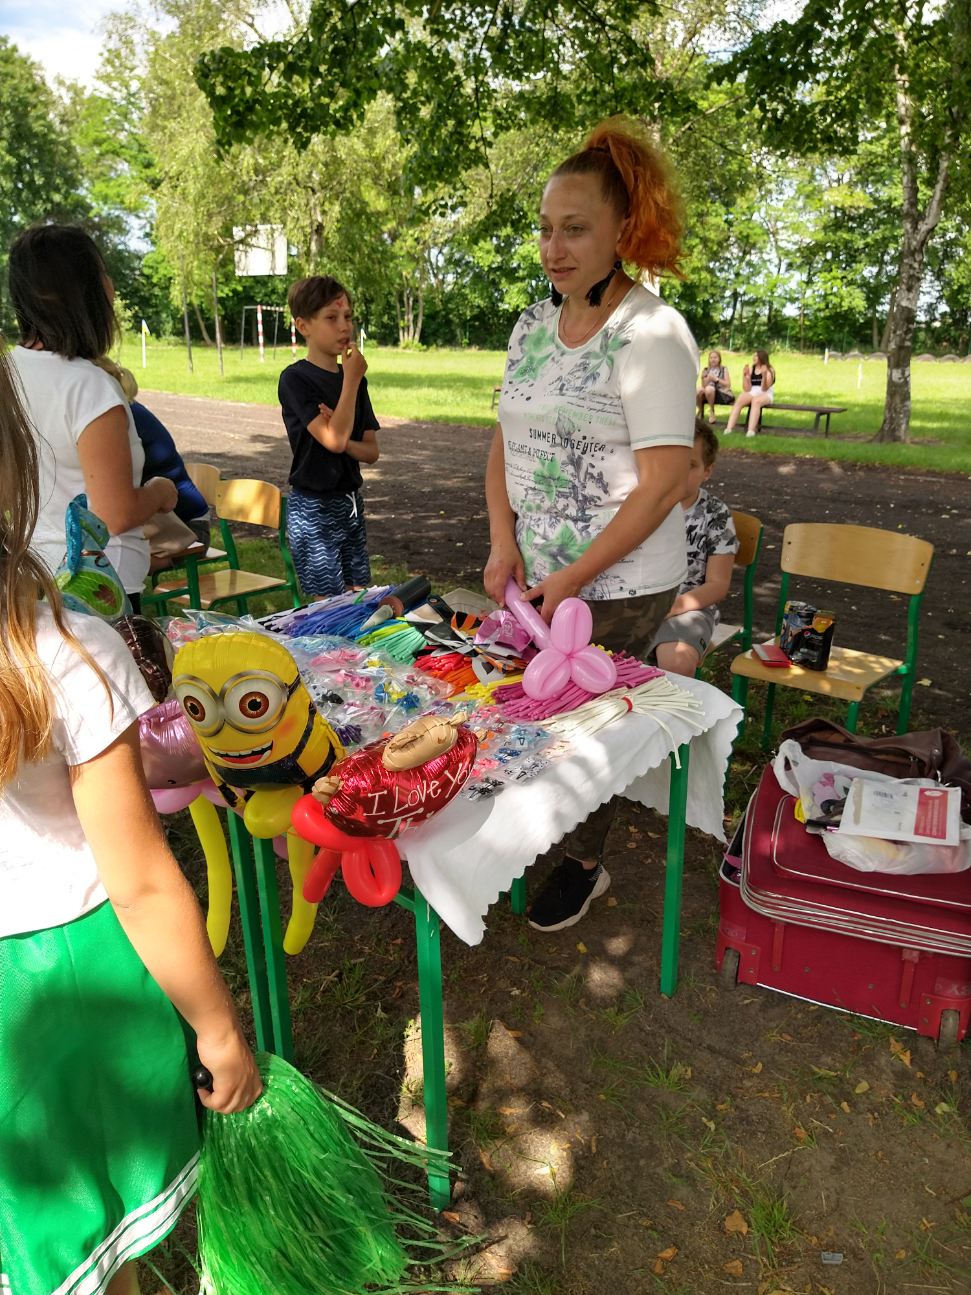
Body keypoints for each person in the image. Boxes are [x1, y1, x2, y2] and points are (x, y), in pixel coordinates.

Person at [0, 350, 261, 1295]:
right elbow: (142, 877)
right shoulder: (64, 648)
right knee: (99, 1258)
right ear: (17, 461)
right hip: (62, 993)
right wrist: (218, 1028)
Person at [484, 115, 698, 932]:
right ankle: (544, 833)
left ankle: (583, 862)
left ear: (623, 230)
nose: (553, 247)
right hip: (539, 565)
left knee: (588, 725)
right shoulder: (533, 325)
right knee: (539, 708)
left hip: (621, 577)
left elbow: (662, 481)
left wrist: (572, 577)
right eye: (544, 229)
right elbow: (505, 435)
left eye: (574, 228)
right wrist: (503, 541)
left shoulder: (652, 333)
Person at [7, 225, 179, 612]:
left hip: (32, 572)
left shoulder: (10, 371)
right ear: (83, 292)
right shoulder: (88, 386)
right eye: (102, 274)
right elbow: (112, 514)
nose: (112, 287)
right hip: (97, 583)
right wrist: (159, 492)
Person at [278, 276, 380, 598]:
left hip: (349, 504)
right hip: (313, 510)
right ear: (303, 326)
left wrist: (344, 438)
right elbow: (333, 441)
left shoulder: (356, 383)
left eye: (348, 317)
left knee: (359, 599)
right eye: (331, 318)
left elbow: (370, 451)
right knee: (330, 608)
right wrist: (350, 379)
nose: (343, 327)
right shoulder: (296, 380)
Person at [649, 419, 738, 675]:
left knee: (676, 663)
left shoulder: (716, 514)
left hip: (690, 608)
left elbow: (717, 586)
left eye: (689, 466)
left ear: (707, 471)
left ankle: (673, 713)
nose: (678, 472)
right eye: (673, 462)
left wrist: (671, 609)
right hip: (639, 603)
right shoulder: (641, 505)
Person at [723, 348, 775, 436]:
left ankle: (751, 430)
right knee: (739, 399)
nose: (753, 358)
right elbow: (746, 389)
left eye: (756, 356)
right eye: (753, 356)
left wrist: (764, 375)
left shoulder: (769, 370)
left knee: (756, 401)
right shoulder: (752, 369)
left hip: (765, 393)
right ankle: (729, 429)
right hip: (752, 391)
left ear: (761, 358)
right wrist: (745, 376)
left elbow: (764, 389)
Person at [695, 349, 734, 422]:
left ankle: (712, 411)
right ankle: (700, 410)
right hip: (707, 394)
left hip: (720, 393)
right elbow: (703, 385)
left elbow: (727, 385)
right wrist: (704, 378)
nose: (713, 360)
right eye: (711, 358)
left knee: (709, 389)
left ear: (719, 359)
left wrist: (716, 379)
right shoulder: (706, 370)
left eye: (715, 357)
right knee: (698, 390)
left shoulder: (723, 369)